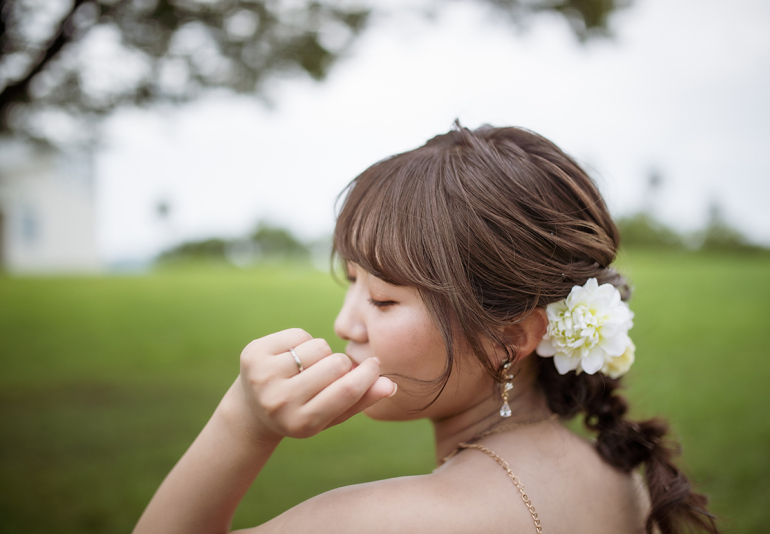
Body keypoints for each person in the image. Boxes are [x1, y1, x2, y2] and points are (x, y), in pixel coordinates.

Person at [133, 124, 718, 534]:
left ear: (511, 338)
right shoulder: (622, 481)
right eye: (352, 283)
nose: (344, 324)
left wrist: (243, 422)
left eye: (383, 300)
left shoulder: (385, 522)